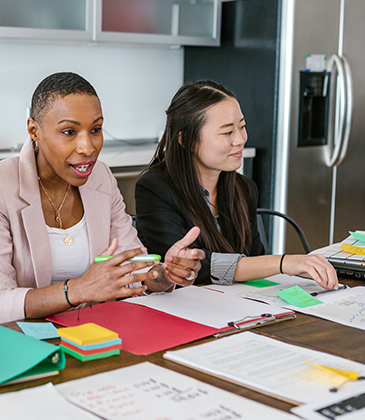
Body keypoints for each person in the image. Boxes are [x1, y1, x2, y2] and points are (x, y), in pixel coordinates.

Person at [0, 72, 206, 325]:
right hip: (11, 339)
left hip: (87, 331)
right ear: (34, 130)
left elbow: (132, 268)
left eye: (96, 129)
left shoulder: (101, 178)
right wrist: (77, 290)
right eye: (69, 131)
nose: (87, 147)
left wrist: (165, 274)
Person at [135, 80, 338, 288]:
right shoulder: (155, 189)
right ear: (186, 140)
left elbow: (255, 262)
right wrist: (285, 262)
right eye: (227, 132)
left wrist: (300, 269)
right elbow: (194, 269)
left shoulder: (243, 188)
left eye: (242, 126)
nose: (240, 139)